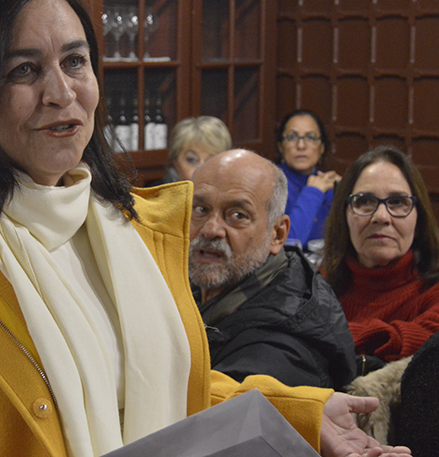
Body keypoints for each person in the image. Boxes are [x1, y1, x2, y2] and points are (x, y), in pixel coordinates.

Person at [0, 0, 410, 457]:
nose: (61, 93)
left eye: (75, 62)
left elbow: (162, 386)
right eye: (23, 70)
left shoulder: (130, 227)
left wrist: (301, 414)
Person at [188, 149, 357, 389]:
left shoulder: (278, 349)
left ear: (277, 234)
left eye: (237, 215)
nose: (211, 229)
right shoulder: (198, 280)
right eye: (200, 210)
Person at [324, 145, 439, 367]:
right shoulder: (318, 285)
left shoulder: (433, 290)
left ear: (419, 219)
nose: (381, 216)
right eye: (364, 201)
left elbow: (429, 344)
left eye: (398, 202)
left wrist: (322, 333)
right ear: (344, 216)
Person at [276, 110, 341, 250]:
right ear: (281, 146)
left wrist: (345, 191)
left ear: (322, 147)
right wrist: (313, 192)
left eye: (311, 137)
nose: (301, 146)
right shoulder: (270, 182)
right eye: (291, 137)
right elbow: (288, 244)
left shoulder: (329, 184)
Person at [160, 115, 231, 183]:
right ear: (175, 163)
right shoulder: (158, 191)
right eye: (191, 160)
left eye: (211, 161)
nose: (201, 170)